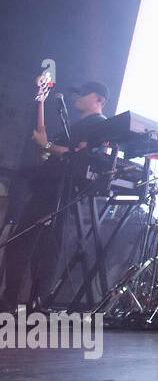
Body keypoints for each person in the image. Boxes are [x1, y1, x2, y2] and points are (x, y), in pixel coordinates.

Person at [2, 80, 111, 311]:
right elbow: (43, 141)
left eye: (83, 93)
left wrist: (48, 144)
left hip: (60, 189)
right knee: (25, 244)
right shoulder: (75, 126)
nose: (77, 97)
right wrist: (40, 101)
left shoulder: (99, 124)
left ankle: (33, 303)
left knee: (41, 247)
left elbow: (81, 154)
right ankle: (14, 300)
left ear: (99, 99)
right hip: (47, 187)